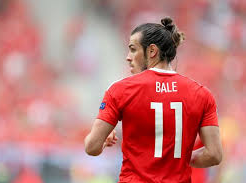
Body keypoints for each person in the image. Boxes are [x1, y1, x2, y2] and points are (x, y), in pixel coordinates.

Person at [84, 17, 222, 183]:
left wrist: (102, 141)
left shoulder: (121, 90)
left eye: (133, 49)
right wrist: (176, 158)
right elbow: (214, 154)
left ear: (152, 51)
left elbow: (91, 147)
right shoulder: (201, 94)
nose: (128, 57)